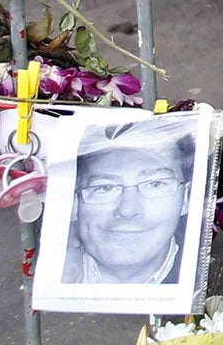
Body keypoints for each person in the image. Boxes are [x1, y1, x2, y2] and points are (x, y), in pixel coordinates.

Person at [61, 118, 195, 288]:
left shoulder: (216, 279)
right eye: (105, 188)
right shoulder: (41, 276)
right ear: (74, 203)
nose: (127, 210)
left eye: (154, 184)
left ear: (185, 198)